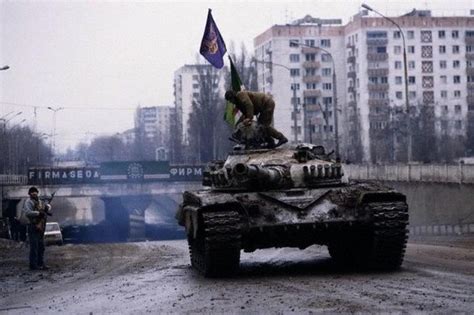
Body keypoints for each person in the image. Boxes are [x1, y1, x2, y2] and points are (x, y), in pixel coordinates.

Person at [23, 186, 52, 270]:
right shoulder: (28, 202)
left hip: (40, 226)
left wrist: (47, 208)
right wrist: (38, 213)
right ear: (29, 194)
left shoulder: (40, 202)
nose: (34, 193)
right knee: (34, 246)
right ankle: (33, 265)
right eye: (32, 192)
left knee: (41, 246)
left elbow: (44, 209)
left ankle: (40, 263)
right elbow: (28, 213)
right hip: (33, 225)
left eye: (35, 192)